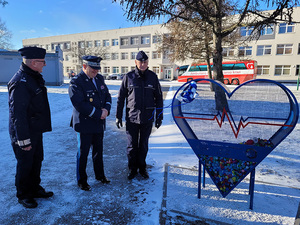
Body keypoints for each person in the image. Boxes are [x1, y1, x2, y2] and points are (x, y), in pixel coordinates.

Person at [8, 46, 53, 208]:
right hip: (24, 133)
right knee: (25, 162)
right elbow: (17, 114)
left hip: (35, 130)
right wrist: (23, 139)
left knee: (36, 160)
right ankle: (24, 194)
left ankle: (34, 188)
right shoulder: (21, 82)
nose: (45, 64)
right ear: (33, 62)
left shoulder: (32, 77)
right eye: (42, 62)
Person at [116, 50, 163, 180]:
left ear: (147, 63)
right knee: (131, 146)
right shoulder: (129, 77)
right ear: (136, 62)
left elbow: (159, 98)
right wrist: (118, 116)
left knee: (143, 145)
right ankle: (132, 168)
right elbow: (121, 98)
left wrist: (159, 116)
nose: (143, 64)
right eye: (140, 62)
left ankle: (142, 168)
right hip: (132, 117)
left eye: (145, 62)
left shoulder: (153, 77)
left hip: (147, 118)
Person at [69, 55, 112, 191]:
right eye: (93, 69)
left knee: (98, 152)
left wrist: (106, 109)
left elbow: (107, 95)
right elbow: (79, 104)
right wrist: (99, 114)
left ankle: (100, 176)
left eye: (97, 69)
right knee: (83, 153)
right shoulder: (76, 82)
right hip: (84, 124)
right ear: (84, 66)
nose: (96, 72)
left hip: (99, 123)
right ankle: (81, 180)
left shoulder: (99, 78)